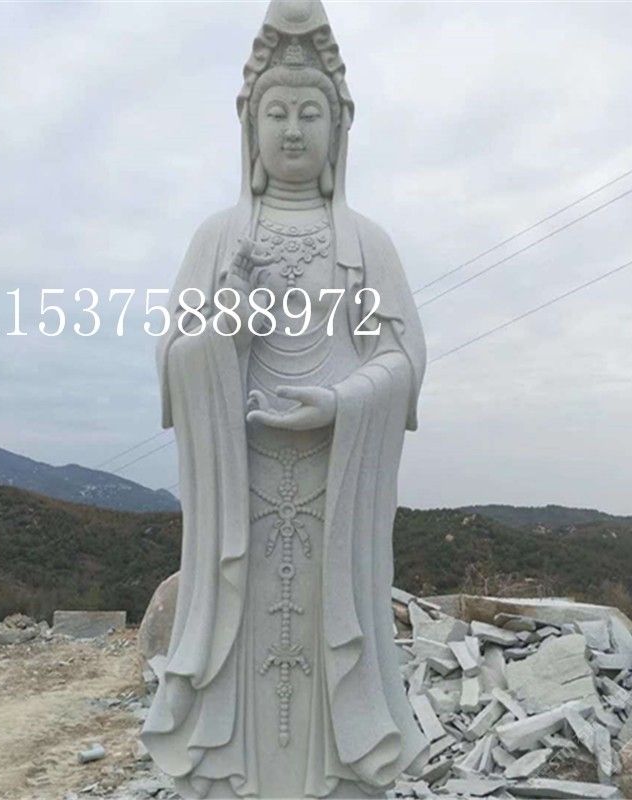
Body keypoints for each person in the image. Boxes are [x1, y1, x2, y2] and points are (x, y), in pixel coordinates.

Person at [141, 2, 429, 797]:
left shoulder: (367, 243)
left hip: (335, 486)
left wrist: (343, 402)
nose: (294, 130)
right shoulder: (218, 239)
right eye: (278, 113)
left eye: (310, 113)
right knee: (242, 636)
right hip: (242, 491)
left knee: (329, 634)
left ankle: (336, 778)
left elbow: (402, 359)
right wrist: (224, 331)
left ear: (339, 129)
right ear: (250, 126)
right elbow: (173, 359)